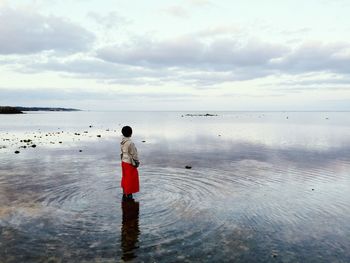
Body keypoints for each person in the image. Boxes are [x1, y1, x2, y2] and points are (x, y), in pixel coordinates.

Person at [120, 126, 140, 201]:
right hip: (129, 163)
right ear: (131, 133)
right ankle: (129, 194)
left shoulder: (122, 142)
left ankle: (125, 193)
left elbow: (122, 152)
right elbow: (134, 154)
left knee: (125, 177)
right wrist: (137, 162)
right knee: (131, 178)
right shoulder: (130, 143)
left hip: (123, 162)